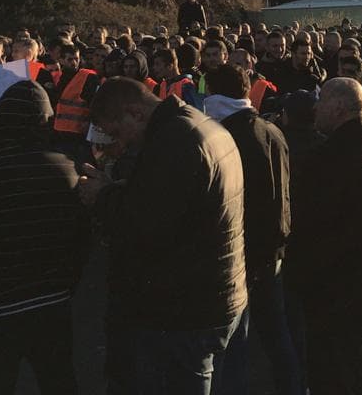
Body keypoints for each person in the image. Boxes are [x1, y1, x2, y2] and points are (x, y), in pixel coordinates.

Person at [79, 77, 246, 394]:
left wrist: (103, 197)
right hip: (216, 290)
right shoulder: (197, 125)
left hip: (187, 307)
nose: (121, 143)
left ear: (135, 112)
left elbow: (148, 225)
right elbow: (183, 202)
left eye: (117, 132)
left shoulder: (175, 141)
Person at [0, 80, 91, 395]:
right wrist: (67, 283)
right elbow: (81, 237)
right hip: (52, 301)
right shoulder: (68, 170)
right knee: (58, 380)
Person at [286, 78, 362, 395]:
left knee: (333, 378)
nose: (316, 109)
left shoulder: (329, 160)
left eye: (321, 101)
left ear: (339, 107)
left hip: (338, 293)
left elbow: (309, 228)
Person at [205, 64, 301, 395]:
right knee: (277, 335)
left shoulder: (227, 138)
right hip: (274, 248)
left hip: (243, 252)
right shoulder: (271, 130)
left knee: (234, 345)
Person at [50, 41, 101, 166]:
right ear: (61, 60)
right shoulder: (57, 77)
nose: (74, 62)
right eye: (69, 59)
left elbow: (95, 104)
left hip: (78, 135)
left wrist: (88, 123)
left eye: (76, 59)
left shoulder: (87, 77)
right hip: (59, 133)